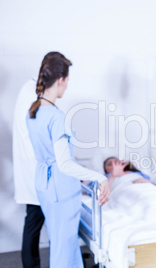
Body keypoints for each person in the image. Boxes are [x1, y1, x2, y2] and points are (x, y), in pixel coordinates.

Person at [26, 52, 111, 268]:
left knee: (61, 245)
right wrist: (99, 177)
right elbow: (64, 164)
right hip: (61, 188)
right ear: (61, 80)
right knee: (64, 251)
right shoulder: (56, 117)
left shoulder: (33, 112)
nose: (67, 86)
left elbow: (54, 158)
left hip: (44, 185)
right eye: (67, 81)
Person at [13, 52, 65, 268]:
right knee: (46, 225)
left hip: (34, 170)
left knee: (33, 224)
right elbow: (45, 140)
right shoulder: (38, 99)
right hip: (40, 172)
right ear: (60, 79)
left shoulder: (30, 91)